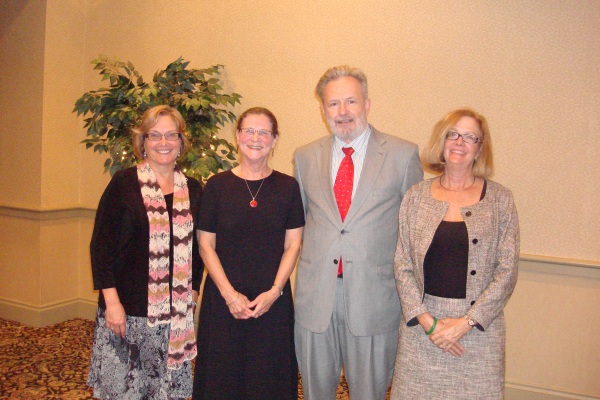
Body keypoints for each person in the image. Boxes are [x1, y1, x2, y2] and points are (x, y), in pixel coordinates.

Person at [293, 65, 423, 400]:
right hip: (316, 298)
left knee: (369, 393)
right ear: (323, 110)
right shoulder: (305, 157)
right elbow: (303, 222)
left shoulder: (402, 155)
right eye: (333, 104)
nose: (343, 112)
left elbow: (414, 234)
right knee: (315, 392)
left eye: (351, 101)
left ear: (367, 103)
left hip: (374, 299)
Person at [390, 108, 520, 399]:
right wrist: (428, 322)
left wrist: (466, 322)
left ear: (479, 149)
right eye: (453, 134)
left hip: (478, 333)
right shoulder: (415, 196)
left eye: (470, 137)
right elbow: (402, 265)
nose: (460, 142)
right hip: (421, 330)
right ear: (442, 140)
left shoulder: (500, 199)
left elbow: (507, 270)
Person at [87, 105, 203, 399]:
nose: (163, 143)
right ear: (143, 142)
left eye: (170, 135)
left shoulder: (193, 189)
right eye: (155, 135)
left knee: (165, 392)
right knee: (125, 391)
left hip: (173, 318)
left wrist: (194, 293)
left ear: (181, 142)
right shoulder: (124, 183)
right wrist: (111, 303)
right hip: (128, 312)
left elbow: (198, 250)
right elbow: (100, 247)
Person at [192, 107, 305, 400]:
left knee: (268, 379)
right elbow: (205, 245)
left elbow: (293, 244)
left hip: (272, 301)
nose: (256, 138)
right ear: (238, 136)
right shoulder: (216, 186)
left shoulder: (288, 187)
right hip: (223, 299)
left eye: (264, 132)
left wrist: (275, 292)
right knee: (222, 380)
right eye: (249, 131)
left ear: (274, 139)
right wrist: (230, 295)